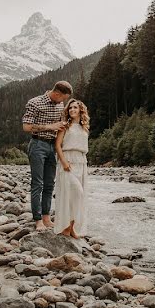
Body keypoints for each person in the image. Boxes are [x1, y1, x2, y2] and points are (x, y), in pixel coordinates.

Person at [22, 81, 73, 230]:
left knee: (50, 184)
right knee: (38, 183)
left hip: (53, 146)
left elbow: (61, 123)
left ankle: (46, 217)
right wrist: (49, 126)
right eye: (63, 98)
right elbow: (26, 126)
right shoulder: (35, 102)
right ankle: (38, 220)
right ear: (56, 93)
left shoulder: (59, 105)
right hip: (38, 144)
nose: (63, 101)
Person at [53, 99, 90, 238]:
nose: (72, 110)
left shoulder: (85, 127)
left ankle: (71, 227)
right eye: (70, 108)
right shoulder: (65, 126)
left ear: (81, 110)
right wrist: (63, 162)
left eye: (75, 107)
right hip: (67, 162)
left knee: (77, 197)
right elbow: (57, 146)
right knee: (74, 194)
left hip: (81, 162)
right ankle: (65, 227)